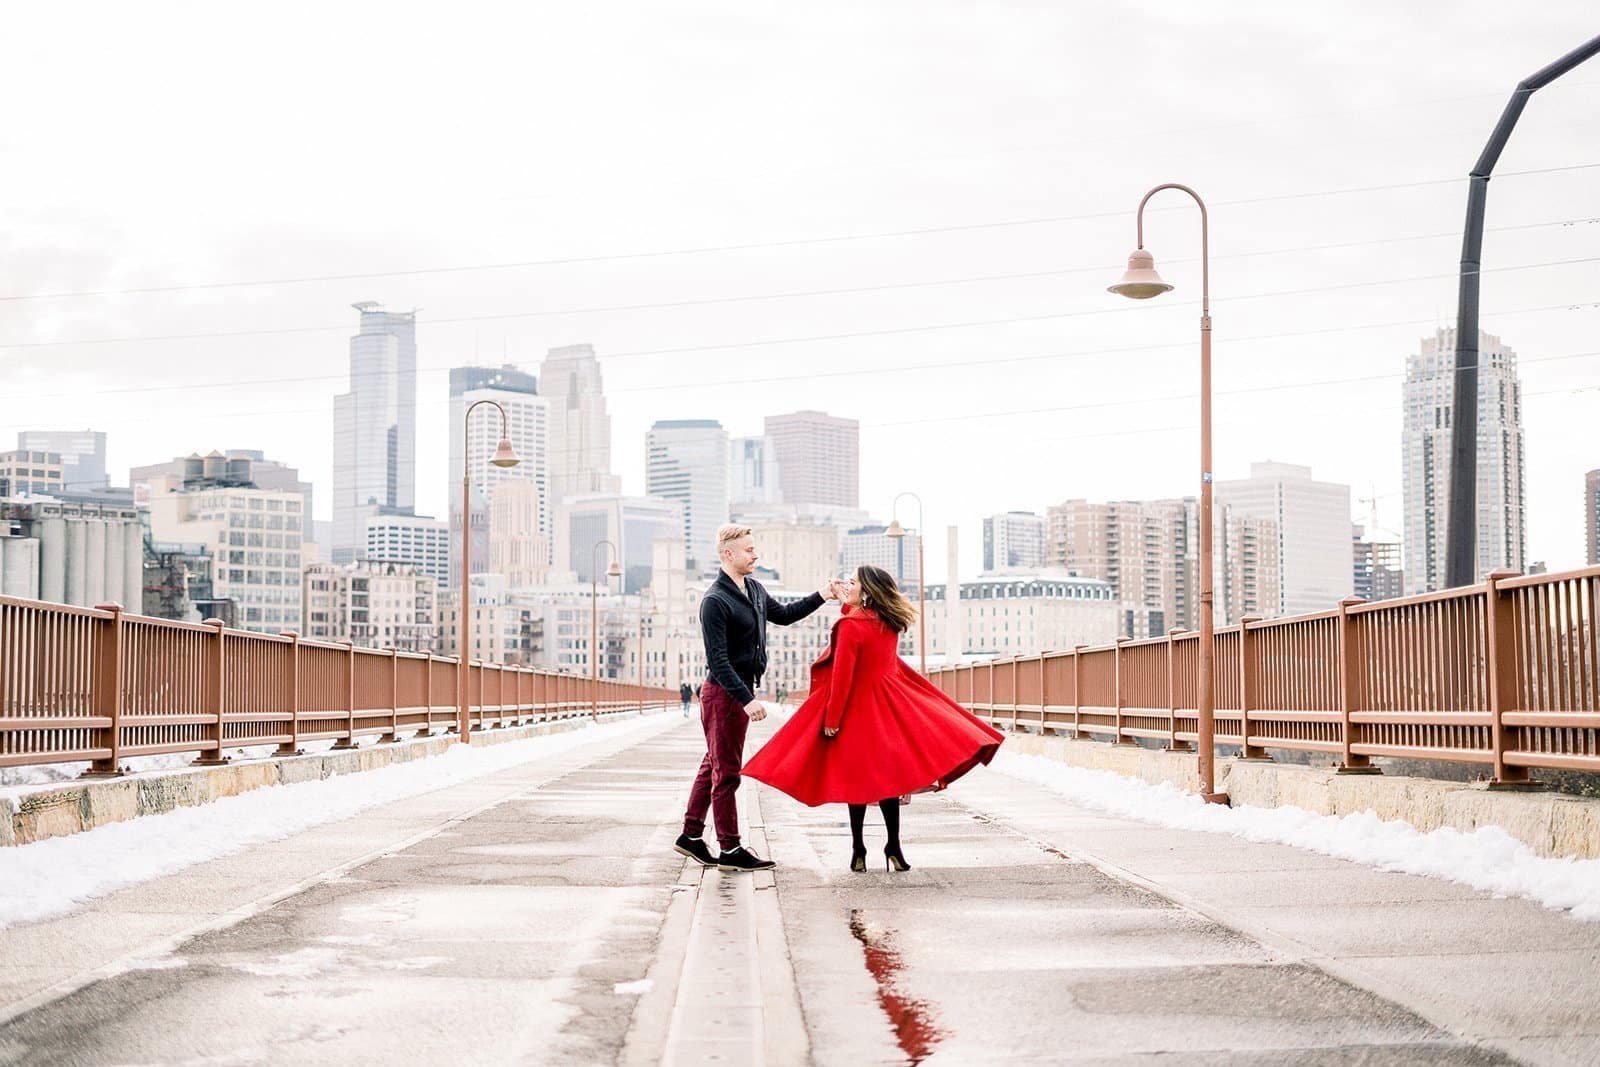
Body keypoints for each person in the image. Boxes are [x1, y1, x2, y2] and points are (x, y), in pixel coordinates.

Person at [743, 564, 1004, 873]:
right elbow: (871, 640)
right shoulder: (889, 623)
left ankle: (858, 850)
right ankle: (894, 847)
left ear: (866, 591)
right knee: (888, 781)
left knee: (858, 781)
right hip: (888, 708)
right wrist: (845, 598)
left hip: (857, 711)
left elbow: (842, 679)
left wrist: (832, 719)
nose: (848, 586)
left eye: (852, 583)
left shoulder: (849, 627)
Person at [674, 524, 841, 873]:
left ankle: (691, 835)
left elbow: (783, 615)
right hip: (723, 695)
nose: (755, 554)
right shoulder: (714, 601)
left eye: (754, 548)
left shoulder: (754, 589)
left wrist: (823, 593)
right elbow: (717, 661)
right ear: (728, 555)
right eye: (748, 550)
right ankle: (730, 848)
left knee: (714, 763)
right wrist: (746, 699)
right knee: (727, 773)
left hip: (736, 692)